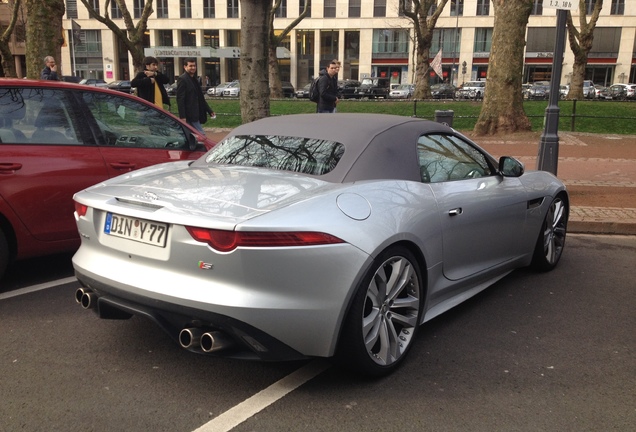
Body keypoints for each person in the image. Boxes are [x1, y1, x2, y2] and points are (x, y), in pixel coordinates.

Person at [177, 58, 215, 134]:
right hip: (189, 115)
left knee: (192, 137)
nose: (193, 68)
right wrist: (182, 116)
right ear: (185, 67)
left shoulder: (194, 79)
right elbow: (180, 99)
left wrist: (209, 110)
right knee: (201, 136)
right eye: (190, 66)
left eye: (194, 66)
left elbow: (200, 97)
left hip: (196, 113)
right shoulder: (182, 79)